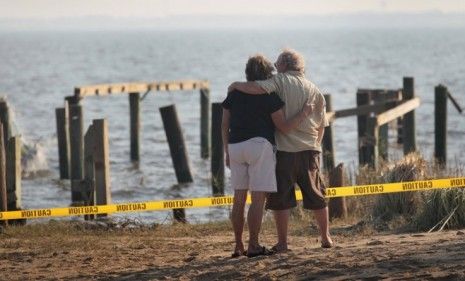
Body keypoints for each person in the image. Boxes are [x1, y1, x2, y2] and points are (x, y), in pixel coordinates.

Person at [228, 49, 333, 251]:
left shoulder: (280, 81)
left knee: (282, 200)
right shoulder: (315, 90)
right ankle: (326, 237)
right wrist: (316, 146)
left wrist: (235, 85)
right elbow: (322, 125)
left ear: (285, 65)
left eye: (277, 64)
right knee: (317, 195)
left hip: (285, 150)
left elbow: (257, 87)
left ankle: (283, 243)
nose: (275, 67)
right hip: (310, 149)